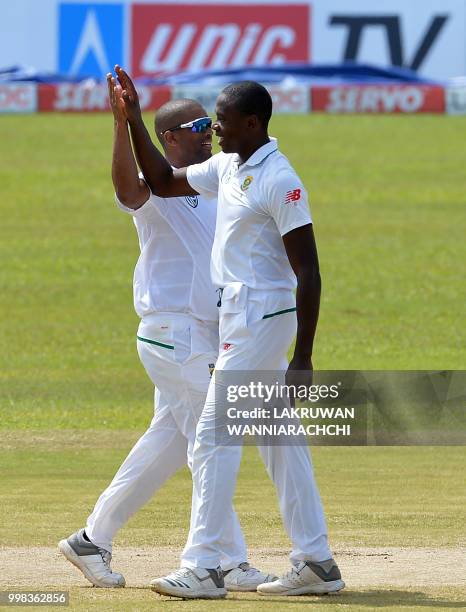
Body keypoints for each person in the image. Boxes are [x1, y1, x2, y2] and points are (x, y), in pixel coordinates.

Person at [116, 65, 345, 599]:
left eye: (220, 121)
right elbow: (162, 182)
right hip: (242, 316)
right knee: (279, 442)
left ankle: (204, 567)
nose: (212, 130)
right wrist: (131, 121)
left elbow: (309, 272)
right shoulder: (229, 166)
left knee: (216, 434)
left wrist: (303, 358)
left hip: (262, 316)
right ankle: (316, 562)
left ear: (252, 122)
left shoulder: (279, 178)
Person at [57, 73, 276, 594]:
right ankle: (231, 562)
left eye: (210, 124)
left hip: (204, 334)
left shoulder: (207, 181)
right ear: (169, 138)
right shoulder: (156, 187)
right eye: (197, 126)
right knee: (214, 439)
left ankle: (92, 538)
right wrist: (122, 124)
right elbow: (128, 189)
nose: (208, 132)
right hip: (172, 334)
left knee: (169, 447)